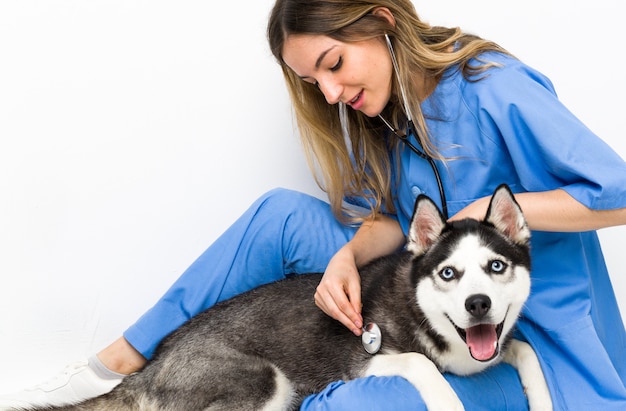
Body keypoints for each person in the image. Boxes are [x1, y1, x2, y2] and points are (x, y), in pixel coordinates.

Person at [2, 0, 625, 409]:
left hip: (524, 314)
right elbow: (390, 218)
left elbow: (618, 195)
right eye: (313, 83)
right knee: (278, 215)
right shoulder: (388, 110)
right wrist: (346, 258)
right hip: (423, 289)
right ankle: (121, 359)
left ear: (381, 21)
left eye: (334, 64)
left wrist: (483, 212)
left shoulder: (494, 86)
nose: (330, 93)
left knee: (352, 402)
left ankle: (281, 393)